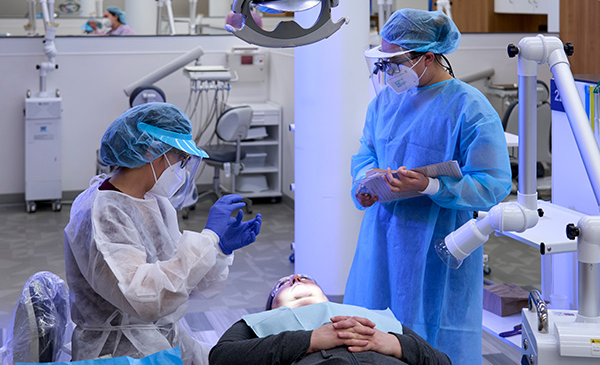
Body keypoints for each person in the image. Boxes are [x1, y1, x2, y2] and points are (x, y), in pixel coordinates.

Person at [344, 9, 512, 365]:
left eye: (396, 62)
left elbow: (493, 185)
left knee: (435, 338)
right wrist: (366, 183)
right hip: (383, 239)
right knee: (372, 331)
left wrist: (432, 185)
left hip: (440, 243)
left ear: (428, 57)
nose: (389, 71)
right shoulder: (384, 102)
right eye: (384, 63)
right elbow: (365, 154)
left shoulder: (470, 108)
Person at [64, 102, 262, 365]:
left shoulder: (155, 202)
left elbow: (181, 283)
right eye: (180, 158)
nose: (181, 168)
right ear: (150, 150)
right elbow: (145, 298)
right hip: (117, 351)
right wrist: (208, 239)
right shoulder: (102, 212)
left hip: (160, 336)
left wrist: (220, 250)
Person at [209, 274, 451, 365]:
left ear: (326, 297)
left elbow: (441, 362)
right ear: (272, 306)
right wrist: (310, 340)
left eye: (306, 278)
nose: (295, 279)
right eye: (282, 284)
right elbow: (221, 358)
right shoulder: (258, 322)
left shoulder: (374, 320)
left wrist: (392, 344)